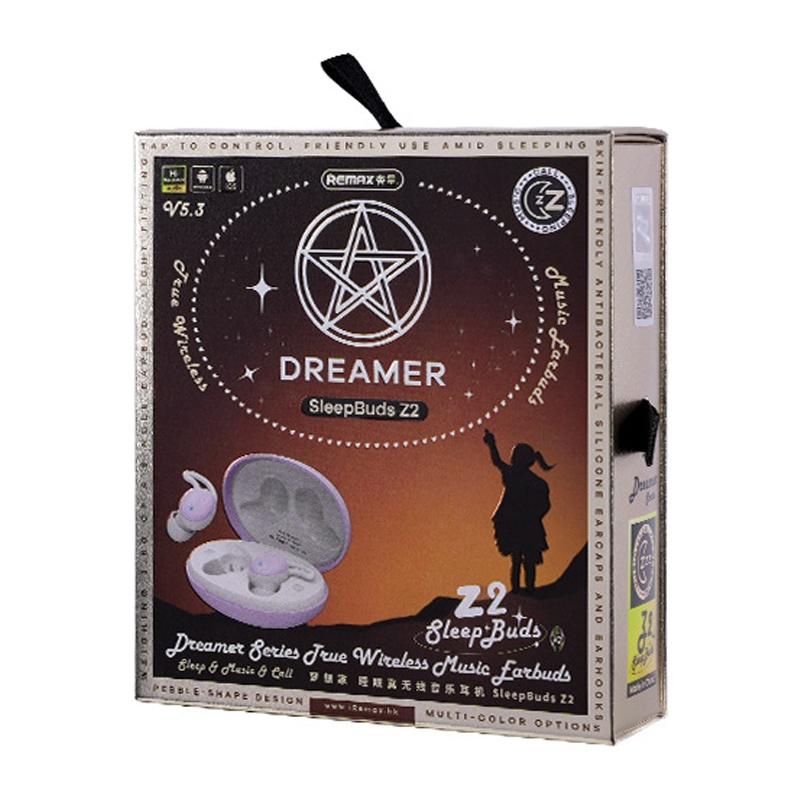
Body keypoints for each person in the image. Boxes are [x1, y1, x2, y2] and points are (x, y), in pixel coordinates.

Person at [483, 429, 554, 593]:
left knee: (520, 559)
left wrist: (492, 444)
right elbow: (545, 506)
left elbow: (497, 461)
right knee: (524, 559)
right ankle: (526, 589)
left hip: (520, 524)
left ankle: (523, 589)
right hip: (524, 524)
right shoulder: (536, 482)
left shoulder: (523, 478)